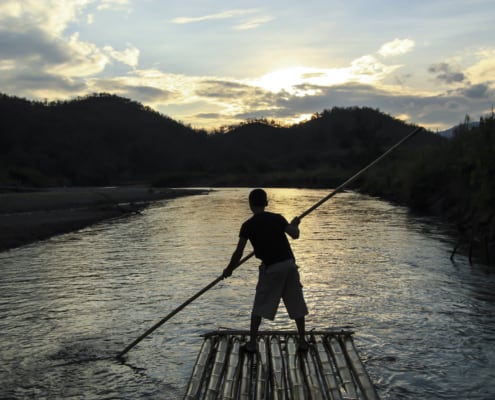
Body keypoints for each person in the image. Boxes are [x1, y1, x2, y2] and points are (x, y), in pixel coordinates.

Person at [222, 188, 309, 352]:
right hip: (290, 266)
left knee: (259, 306)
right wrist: (294, 225)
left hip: (272, 269)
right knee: (296, 303)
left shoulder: (247, 226)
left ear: (250, 205)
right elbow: (295, 235)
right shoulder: (277, 218)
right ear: (266, 203)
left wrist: (229, 269)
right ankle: (303, 342)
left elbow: (239, 252)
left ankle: (252, 344)